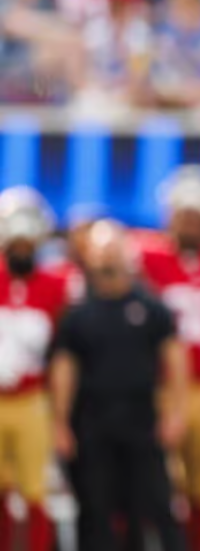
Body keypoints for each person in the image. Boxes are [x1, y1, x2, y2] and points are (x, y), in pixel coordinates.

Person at [50, 220, 189, 551]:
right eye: (102, 251)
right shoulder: (78, 313)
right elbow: (64, 369)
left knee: (154, 505)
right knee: (95, 507)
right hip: (93, 421)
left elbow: (176, 361)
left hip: (141, 420)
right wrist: (60, 422)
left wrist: (177, 412)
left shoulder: (151, 308)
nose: (108, 259)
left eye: (114, 249)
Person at [136, 165, 200, 551]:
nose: (192, 224)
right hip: (162, 387)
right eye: (185, 215)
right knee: (157, 483)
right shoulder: (148, 257)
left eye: (198, 216)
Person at [0, 187, 68, 551]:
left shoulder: (55, 284)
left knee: (35, 490)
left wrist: (59, 414)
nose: (22, 248)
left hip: (32, 398)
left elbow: (61, 356)